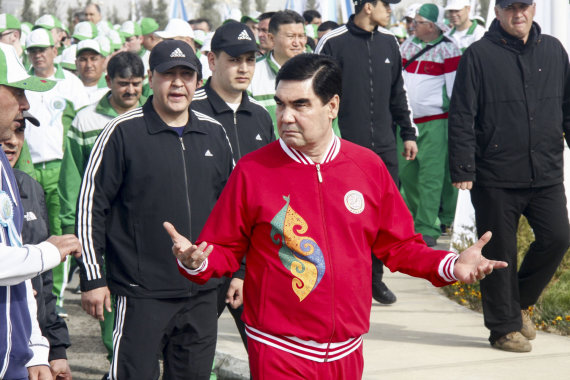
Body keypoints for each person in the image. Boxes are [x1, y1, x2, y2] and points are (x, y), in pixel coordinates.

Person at [164, 53, 507, 379]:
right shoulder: (253, 170)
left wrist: (450, 265)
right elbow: (223, 248)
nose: (285, 116)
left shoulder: (367, 166)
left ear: (332, 106)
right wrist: (196, 262)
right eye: (281, 104)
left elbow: (400, 245)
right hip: (278, 348)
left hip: (347, 349)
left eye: (300, 105)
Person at [77, 40, 233, 379]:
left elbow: (233, 211)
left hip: (203, 292)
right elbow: (91, 206)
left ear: (198, 81)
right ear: (151, 78)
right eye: (168, 74)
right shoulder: (122, 132)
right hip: (141, 293)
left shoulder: (214, 133)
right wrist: (92, 276)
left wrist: (239, 271)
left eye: (186, 75)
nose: (178, 83)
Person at [448, 0, 570, 353]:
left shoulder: (554, 50)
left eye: (524, 6)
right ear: (497, 13)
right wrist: (463, 167)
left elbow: (567, 107)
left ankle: (518, 304)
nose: (519, 14)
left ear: (533, 9)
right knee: (500, 253)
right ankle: (503, 329)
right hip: (495, 175)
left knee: (558, 238)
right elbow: (462, 114)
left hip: (545, 171)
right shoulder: (478, 55)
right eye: (509, 8)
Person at [316, 0, 417, 305]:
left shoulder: (389, 43)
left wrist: (408, 133)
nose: (391, 10)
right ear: (368, 7)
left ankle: (374, 278)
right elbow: (316, 92)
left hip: (385, 146)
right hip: (345, 146)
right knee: (344, 216)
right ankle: (341, 279)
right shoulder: (333, 42)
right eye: (387, 5)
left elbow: (399, 92)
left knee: (383, 215)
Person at [0, 41, 82, 380]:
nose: (26, 104)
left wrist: (36, 349)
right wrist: (48, 252)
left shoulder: (6, 170)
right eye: (17, 92)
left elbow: (21, 281)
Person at [191, 21, 275, 349]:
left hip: (253, 265)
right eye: (234, 59)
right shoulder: (190, 112)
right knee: (182, 358)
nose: (243, 68)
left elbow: (269, 194)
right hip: (204, 260)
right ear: (211, 61)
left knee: (268, 358)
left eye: (250, 60)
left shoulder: (261, 116)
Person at [58, 51, 145, 364]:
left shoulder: (154, 112)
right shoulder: (85, 119)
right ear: (108, 82)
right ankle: (117, 364)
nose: (131, 90)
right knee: (110, 313)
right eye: (123, 83)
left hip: (147, 230)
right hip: (103, 231)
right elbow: (72, 180)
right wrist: (72, 231)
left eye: (136, 83)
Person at [24, 27, 90, 316]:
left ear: (55, 50)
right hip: (24, 167)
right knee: (30, 233)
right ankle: (27, 291)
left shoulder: (71, 84)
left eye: (43, 49)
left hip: (60, 168)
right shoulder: (21, 81)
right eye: (32, 50)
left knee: (58, 232)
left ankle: (55, 299)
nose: (38, 55)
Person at [399, 3, 461, 247]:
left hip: (436, 122)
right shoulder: (406, 45)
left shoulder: (449, 49)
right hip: (407, 124)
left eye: (419, 22)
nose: (413, 25)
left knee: (431, 176)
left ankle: (428, 226)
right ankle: (417, 220)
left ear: (432, 26)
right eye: (414, 21)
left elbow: (455, 89)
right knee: (408, 173)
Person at [250, 10, 306, 133]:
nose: (297, 43)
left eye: (301, 36)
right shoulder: (253, 73)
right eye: (290, 36)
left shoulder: (318, 71)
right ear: (272, 38)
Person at [75, 39, 109, 104]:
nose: (89, 65)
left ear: (103, 61)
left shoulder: (112, 86)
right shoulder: (69, 86)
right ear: (76, 63)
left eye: (93, 59)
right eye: (83, 59)